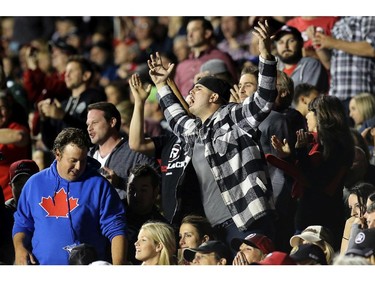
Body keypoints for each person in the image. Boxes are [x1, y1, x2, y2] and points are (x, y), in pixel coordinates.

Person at [147, 20, 277, 248]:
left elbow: (264, 99)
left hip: (247, 219)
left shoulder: (234, 117)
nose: (191, 92)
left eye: (198, 88)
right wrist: (161, 85)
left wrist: (265, 54)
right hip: (213, 227)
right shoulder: (195, 131)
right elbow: (175, 116)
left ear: (214, 97)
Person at [12, 127, 128, 265]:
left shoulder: (99, 185)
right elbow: (22, 224)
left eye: (83, 160)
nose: (78, 166)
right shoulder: (35, 184)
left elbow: (116, 228)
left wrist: (118, 268)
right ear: (58, 154)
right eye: (73, 160)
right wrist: (19, 249)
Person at [269, 95, 355, 250]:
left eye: (310, 111)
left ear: (321, 115)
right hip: (306, 216)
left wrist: (300, 153)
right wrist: (288, 156)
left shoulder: (337, 146)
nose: (306, 115)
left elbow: (315, 183)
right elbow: (296, 182)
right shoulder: (313, 143)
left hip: (323, 221)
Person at [128, 73, 205, 225]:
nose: (188, 103)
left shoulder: (204, 138)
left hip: (199, 221)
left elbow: (186, 116)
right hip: (171, 222)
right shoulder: (169, 141)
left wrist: (167, 83)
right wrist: (139, 102)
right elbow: (136, 143)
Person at [86, 101, 159, 200]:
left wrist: (120, 182)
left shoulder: (136, 152)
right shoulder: (87, 157)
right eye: (88, 124)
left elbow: (157, 186)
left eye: (94, 123)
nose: (89, 128)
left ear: (112, 122)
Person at [38, 55, 106, 149]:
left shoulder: (95, 97)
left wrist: (63, 116)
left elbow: (90, 134)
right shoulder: (63, 104)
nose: (66, 75)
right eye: (66, 71)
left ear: (86, 75)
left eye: (72, 71)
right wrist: (44, 120)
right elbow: (50, 143)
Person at [312, 17, 375, 117]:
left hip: (360, 95)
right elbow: (329, 64)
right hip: (336, 97)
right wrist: (317, 42)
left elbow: (372, 48)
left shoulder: (368, 17)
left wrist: (333, 42)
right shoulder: (338, 24)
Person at [174, 17, 238, 97]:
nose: (189, 35)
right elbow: (175, 94)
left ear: (207, 33)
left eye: (194, 30)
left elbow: (232, 87)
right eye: (188, 31)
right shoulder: (181, 65)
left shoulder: (220, 57)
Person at [125, 164, 168, 265]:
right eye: (132, 189)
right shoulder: (113, 214)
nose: (136, 195)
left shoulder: (162, 228)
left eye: (143, 190)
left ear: (155, 192)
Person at [273, 25, 329, 94]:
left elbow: (306, 98)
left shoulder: (311, 65)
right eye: (281, 42)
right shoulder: (275, 67)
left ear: (301, 43)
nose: (285, 46)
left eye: (291, 41)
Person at [0, 94, 32, 201]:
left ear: (9, 111)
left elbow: (19, 137)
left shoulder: (16, 128)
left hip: (10, 198)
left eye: (2, 108)